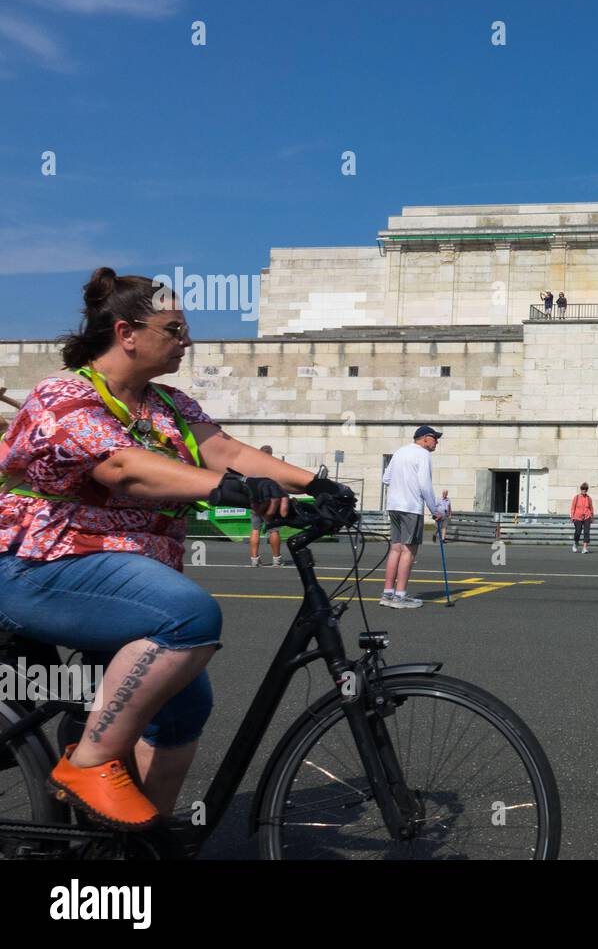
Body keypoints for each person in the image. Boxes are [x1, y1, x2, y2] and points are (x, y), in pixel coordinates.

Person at [0, 267, 349, 831]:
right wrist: (231, 490)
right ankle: (87, 764)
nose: (187, 341)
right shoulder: (62, 395)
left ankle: (140, 839)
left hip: (118, 574)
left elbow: (224, 450)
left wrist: (317, 485)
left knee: (183, 707)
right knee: (189, 616)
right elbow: (122, 467)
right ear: (126, 332)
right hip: (36, 564)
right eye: (174, 329)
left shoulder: (168, 406)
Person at [381, 424, 444, 608]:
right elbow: (425, 485)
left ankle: (387, 593)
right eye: (434, 438)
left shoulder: (400, 452)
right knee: (409, 550)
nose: (437, 442)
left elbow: (386, 479)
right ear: (425, 438)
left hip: (394, 506)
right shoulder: (423, 455)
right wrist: (435, 510)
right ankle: (400, 596)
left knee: (395, 549)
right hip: (410, 507)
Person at [248, 444, 283, 566]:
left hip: (255, 502)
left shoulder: (252, 468)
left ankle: (254, 559)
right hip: (270, 504)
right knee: (273, 530)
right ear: (271, 455)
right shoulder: (275, 468)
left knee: (255, 530)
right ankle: (276, 560)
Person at [570, 482, 593, 553]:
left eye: (586, 489)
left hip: (587, 516)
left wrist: (592, 516)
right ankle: (575, 544)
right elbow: (573, 508)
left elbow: (591, 508)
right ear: (581, 489)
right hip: (577, 517)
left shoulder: (589, 498)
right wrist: (572, 517)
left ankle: (584, 548)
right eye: (583, 489)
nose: (584, 490)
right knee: (578, 532)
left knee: (586, 532)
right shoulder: (576, 497)